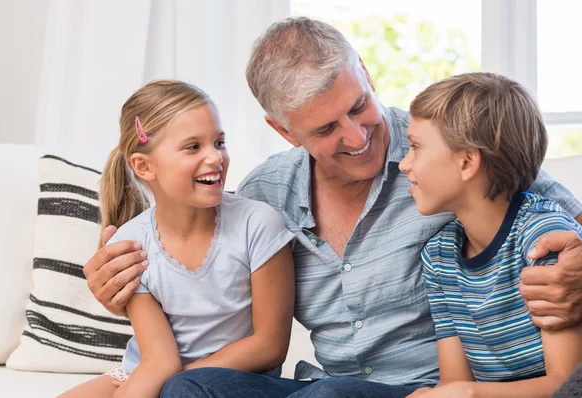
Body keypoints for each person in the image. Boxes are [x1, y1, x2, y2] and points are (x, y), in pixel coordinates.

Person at [83, 18, 582, 398]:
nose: (358, 136)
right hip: (327, 386)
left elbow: (552, 216)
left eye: (358, 105)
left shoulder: (449, 155)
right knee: (191, 390)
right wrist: (122, 282)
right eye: (324, 129)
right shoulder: (262, 198)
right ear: (283, 130)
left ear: (364, 72)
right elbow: (194, 275)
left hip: (414, 389)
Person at [61, 80, 295, 398]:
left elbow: (269, 346)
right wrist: (150, 385)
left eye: (219, 142)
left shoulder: (258, 224)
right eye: (193, 147)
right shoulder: (131, 246)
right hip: (147, 370)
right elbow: (158, 359)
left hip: (221, 383)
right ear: (144, 166)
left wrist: (172, 386)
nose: (215, 157)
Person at [396, 73, 582, 398]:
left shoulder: (544, 240)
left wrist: (470, 394)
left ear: (467, 162)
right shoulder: (439, 257)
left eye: (415, 147)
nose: (404, 164)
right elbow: (454, 383)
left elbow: (568, 386)